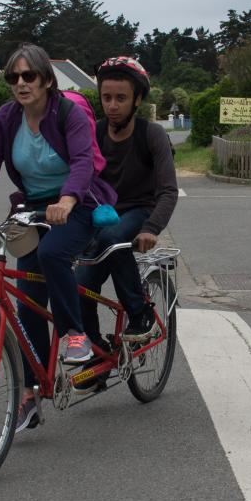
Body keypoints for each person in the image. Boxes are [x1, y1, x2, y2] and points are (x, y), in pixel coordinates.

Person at [0, 43, 117, 431]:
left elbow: (83, 162)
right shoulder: (7, 118)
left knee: (51, 255)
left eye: (28, 75)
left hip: (78, 202)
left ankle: (75, 334)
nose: (20, 83)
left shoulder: (68, 113)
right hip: (32, 207)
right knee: (28, 300)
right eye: (13, 77)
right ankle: (31, 393)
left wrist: (68, 199)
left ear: (46, 79)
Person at [74, 56, 178, 371]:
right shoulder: (94, 133)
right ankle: (96, 354)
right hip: (102, 216)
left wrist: (151, 228)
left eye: (121, 98)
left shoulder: (151, 135)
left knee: (113, 236)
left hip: (138, 211)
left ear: (137, 100)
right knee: (79, 285)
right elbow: (76, 177)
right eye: (106, 97)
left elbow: (168, 190)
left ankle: (140, 312)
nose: (112, 105)